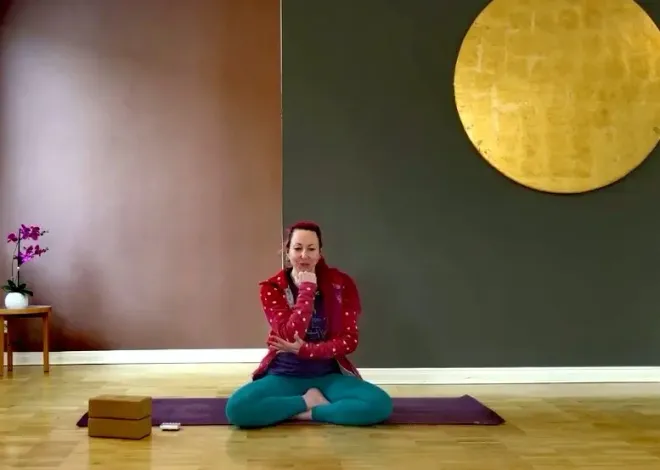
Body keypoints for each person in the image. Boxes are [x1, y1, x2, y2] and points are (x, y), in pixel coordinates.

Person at [224, 221, 393, 428]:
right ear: (287, 252)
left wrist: (306, 350)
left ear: (320, 253)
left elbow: (349, 341)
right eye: (297, 248)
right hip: (284, 374)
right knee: (237, 409)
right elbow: (289, 334)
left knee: (379, 404)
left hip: (327, 376)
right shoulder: (273, 288)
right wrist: (307, 289)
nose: (304, 255)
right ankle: (307, 401)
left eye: (311, 249)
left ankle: (308, 413)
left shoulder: (340, 284)